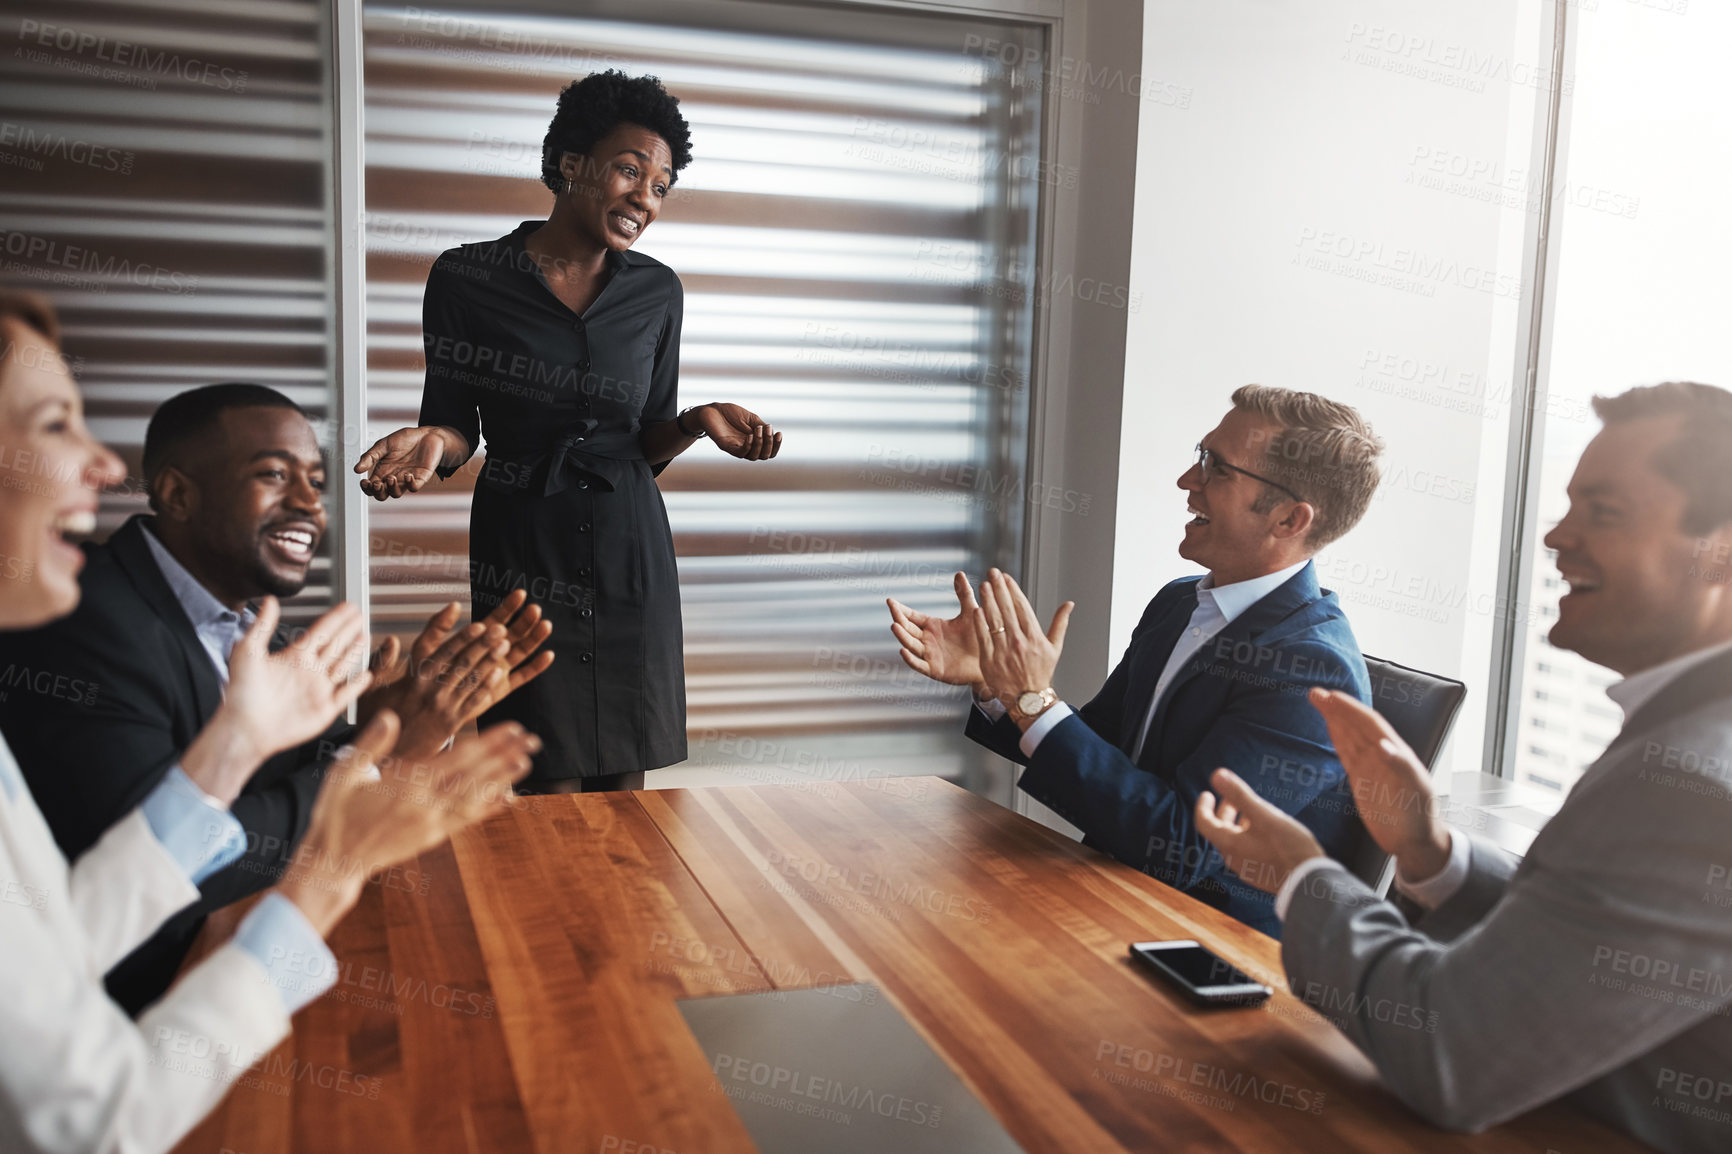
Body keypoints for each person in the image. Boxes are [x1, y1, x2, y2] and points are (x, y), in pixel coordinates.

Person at [0, 289, 542, 1154]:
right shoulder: (82, 624)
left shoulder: (255, 623)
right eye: (57, 426)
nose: (103, 466)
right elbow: (98, 1126)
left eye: (316, 482)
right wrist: (340, 847)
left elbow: (64, 931)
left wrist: (361, 737)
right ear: (178, 494)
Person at [1194, 381, 1732, 1154]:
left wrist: (1306, 879)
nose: (1555, 536)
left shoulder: (1690, 784)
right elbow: (1587, 936)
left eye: (1605, 512)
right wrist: (1432, 855)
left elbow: (1450, 1051)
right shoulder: (1689, 735)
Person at [354, 70, 782, 793]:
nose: (645, 198)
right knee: (534, 772)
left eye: (661, 187)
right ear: (571, 163)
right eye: (629, 170)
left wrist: (692, 425)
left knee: (626, 788)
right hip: (523, 545)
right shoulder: (467, 278)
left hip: (628, 549)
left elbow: (643, 440)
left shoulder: (658, 293)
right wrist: (433, 443)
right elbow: (455, 424)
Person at [889, 386, 1383, 936]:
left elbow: (1179, 847)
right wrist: (1001, 684)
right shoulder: (1180, 602)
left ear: (1290, 520)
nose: (1187, 481)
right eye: (1202, 455)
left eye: (1216, 469)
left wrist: (1035, 700)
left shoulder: (1314, 670)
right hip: (1111, 899)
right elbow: (1101, 744)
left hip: (1207, 951)